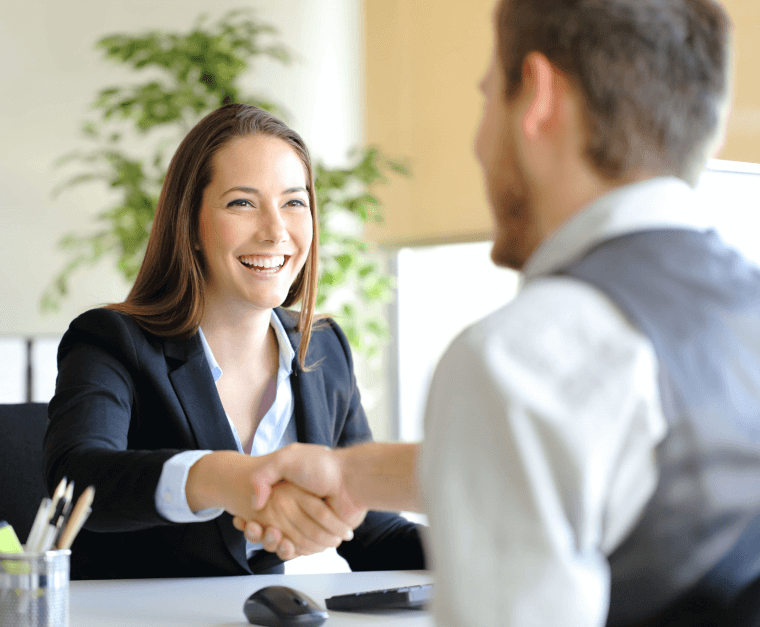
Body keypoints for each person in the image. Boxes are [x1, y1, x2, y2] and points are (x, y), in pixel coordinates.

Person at [238, 0, 760, 625]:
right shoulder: (737, 312)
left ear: (537, 99)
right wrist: (356, 475)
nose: (480, 144)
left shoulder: (518, 359)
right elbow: (620, 469)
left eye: (489, 98)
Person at [43, 103, 426, 580]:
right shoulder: (113, 342)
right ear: (192, 226)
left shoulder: (323, 350)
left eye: (294, 202)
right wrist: (226, 479)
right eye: (242, 203)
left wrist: (493, 544)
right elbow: (77, 479)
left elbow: (375, 533)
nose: (276, 231)